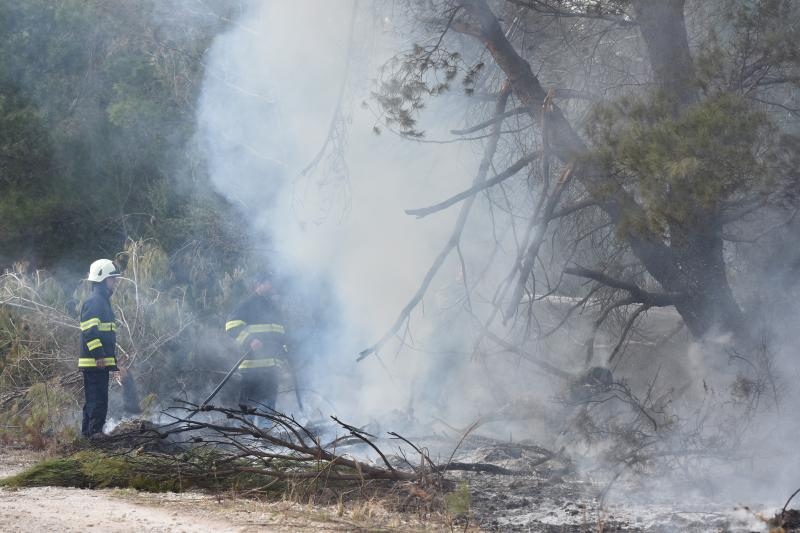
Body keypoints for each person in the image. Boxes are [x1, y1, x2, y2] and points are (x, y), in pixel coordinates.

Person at [225, 270, 290, 424]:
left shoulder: (273, 307)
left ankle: (264, 438)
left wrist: (285, 353)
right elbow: (231, 326)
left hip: (272, 366)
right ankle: (243, 437)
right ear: (258, 285)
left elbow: (281, 334)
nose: (272, 286)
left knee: (268, 403)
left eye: (272, 283)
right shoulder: (248, 304)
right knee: (249, 403)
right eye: (268, 283)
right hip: (252, 365)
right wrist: (250, 340)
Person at [79, 258, 121, 439]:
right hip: (95, 362)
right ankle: (94, 434)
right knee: (97, 400)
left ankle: (88, 434)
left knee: (95, 399)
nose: (115, 282)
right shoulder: (96, 301)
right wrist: (98, 355)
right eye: (112, 279)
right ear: (103, 279)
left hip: (98, 362)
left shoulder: (101, 300)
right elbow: (89, 331)